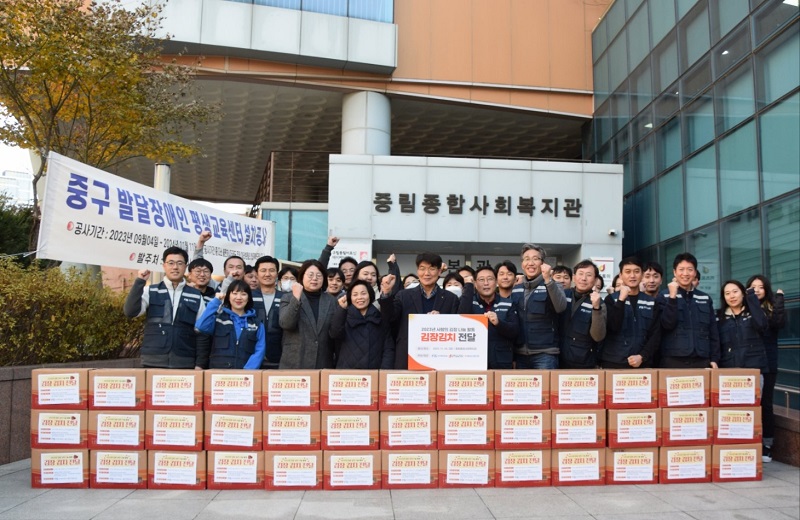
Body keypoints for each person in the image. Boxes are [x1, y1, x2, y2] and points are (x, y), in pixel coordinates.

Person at [123, 246, 206, 368]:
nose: (175, 267)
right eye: (171, 263)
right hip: (153, 360)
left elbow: (202, 332)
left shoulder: (196, 296)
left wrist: (200, 364)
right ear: (164, 265)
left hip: (184, 361)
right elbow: (130, 311)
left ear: (185, 266)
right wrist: (139, 282)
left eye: (179, 263)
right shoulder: (151, 291)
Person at [379, 252, 460, 369]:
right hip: (407, 359)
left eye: (432, 269)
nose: (426, 273)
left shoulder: (451, 299)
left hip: (440, 359)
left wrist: (442, 321)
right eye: (422, 268)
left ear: (439, 272)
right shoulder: (403, 296)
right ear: (417, 271)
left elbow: (456, 330)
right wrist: (386, 293)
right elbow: (389, 319)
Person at [746, 274, 785, 463]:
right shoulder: (745, 309)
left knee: (765, 405)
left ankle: (766, 444)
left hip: (768, 364)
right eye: (753, 287)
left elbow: (778, 323)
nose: (757, 290)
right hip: (749, 363)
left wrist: (779, 301)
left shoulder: (771, 310)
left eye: (760, 287)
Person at [657, 252, 719, 369]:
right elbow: (666, 325)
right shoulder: (663, 296)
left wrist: (715, 358)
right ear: (675, 272)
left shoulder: (705, 298)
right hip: (673, 360)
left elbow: (713, 332)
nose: (685, 273)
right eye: (681, 269)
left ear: (695, 272)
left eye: (690, 269)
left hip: (701, 359)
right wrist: (672, 297)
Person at [510, 244, 568, 369]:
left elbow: (561, 307)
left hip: (545, 354)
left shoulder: (553, 285)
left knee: (546, 389)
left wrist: (548, 280)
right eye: (526, 259)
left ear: (543, 263)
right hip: (520, 354)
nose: (530, 263)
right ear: (522, 264)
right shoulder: (516, 289)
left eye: (535, 259)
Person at [601, 257, 660, 369]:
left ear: (642, 275)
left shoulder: (651, 302)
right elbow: (612, 326)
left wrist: (642, 356)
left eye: (636, 271)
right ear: (620, 275)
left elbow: (656, 335)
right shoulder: (611, 299)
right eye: (628, 272)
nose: (632, 276)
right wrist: (621, 300)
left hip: (642, 363)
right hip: (614, 361)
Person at [458, 265, 520, 369]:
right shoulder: (468, 302)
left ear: (496, 282)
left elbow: (515, 331)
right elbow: (461, 319)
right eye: (481, 280)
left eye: (490, 279)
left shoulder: (508, 303)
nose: (486, 283)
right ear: (476, 284)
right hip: (473, 361)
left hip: (501, 361)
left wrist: (499, 323)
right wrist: (468, 286)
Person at [279, 260, 337, 369]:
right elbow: (286, 324)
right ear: (302, 276)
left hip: (322, 362)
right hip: (295, 362)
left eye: (319, 275)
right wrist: (296, 298)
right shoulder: (288, 297)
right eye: (310, 275)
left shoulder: (331, 301)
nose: (314, 278)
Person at [194, 280, 266, 369]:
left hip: (245, 376)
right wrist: (216, 301)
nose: (239, 298)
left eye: (243, 294)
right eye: (235, 293)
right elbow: (201, 326)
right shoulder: (218, 318)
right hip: (218, 373)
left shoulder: (257, 324)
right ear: (228, 297)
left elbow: (260, 350)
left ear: (248, 298)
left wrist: (248, 372)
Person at [329, 280, 395, 369]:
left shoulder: (380, 318)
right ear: (350, 298)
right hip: (348, 377)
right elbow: (335, 333)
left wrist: (383, 372)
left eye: (363, 293)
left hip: (375, 375)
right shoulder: (344, 316)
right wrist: (342, 309)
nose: (359, 297)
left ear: (370, 295)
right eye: (355, 294)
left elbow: (388, 349)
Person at [559, 260, 606, 369]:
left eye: (589, 275)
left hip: (582, 361)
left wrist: (596, 308)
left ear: (595, 280)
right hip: (558, 357)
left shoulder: (599, 303)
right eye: (580, 274)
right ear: (574, 277)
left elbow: (598, 336)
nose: (584, 278)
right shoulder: (562, 295)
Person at [717, 280, 768, 371]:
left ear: (743, 293)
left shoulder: (754, 313)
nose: (732, 296)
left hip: (754, 367)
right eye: (727, 293)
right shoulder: (719, 318)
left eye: (735, 292)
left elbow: (762, 325)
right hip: (728, 369)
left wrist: (752, 298)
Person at [252, 255, 284, 369]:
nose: (267, 274)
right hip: (251, 357)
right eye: (263, 270)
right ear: (256, 273)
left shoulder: (285, 297)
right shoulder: (248, 296)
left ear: (277, 273)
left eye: (271, 270)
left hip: (279, 358)